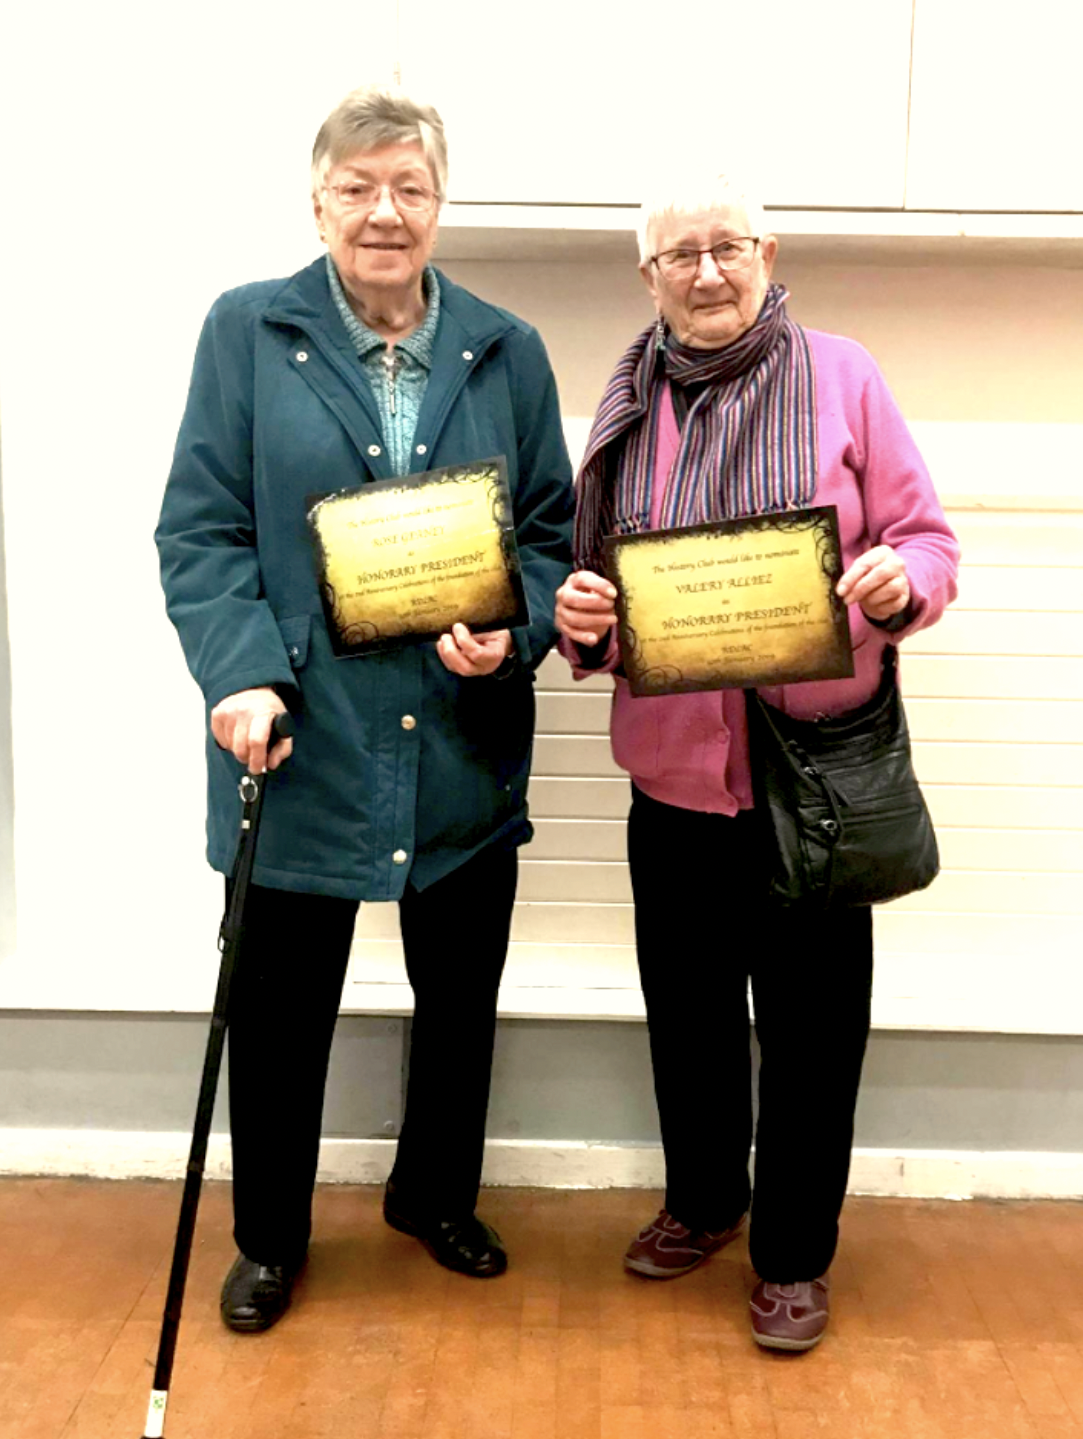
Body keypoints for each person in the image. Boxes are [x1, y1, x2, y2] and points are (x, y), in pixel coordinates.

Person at [156, 86, 573, 1332]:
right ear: (319, 199)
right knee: (280, 1016)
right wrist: (237, 670)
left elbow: (551, 536)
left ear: (441, 204)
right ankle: (270, 1233)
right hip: (298, 733)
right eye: (358, 188)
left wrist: (518, 633)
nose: (384, 213)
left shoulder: (507, 346)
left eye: (410, 188)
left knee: (460, 996)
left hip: (458, 735)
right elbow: (202, 528)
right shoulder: (247, 330)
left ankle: (433, 1194)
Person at [555, 169, 959, 1352]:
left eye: (727, 245)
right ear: (648, 277)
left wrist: (903, 581)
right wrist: (584, 616)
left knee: (813, 1026)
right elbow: (595, 586)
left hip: (816, 776)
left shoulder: (844, 374)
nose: (707, 270)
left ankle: (791, 1254)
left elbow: (925, 538)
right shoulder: (625, 403)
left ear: (768, 254)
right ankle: (703, 1201)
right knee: (684, 1012)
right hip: (671, 778)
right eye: (680, 253)